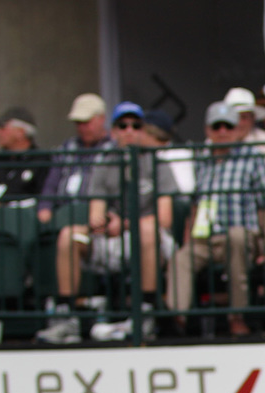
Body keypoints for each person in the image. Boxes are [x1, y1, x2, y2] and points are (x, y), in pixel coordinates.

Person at [37, 102, 179, 344]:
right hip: (111, 238)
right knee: (70, 235)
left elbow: (164, 218)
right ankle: (66, 318)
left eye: (136, 125)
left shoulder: (157, 164)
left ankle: (144, 314)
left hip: (152, 240)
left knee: (146, 230)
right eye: (123, 125)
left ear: (144, 130)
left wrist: (124, 223)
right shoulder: (104, 164)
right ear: (113, 131)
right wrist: (106, 223)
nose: (129, 131)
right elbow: (95, 215)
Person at [165, 101, 265, 337]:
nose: (222, 132)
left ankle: (236, 317)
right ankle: (176, 319)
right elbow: (195, 206)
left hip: (243, 235)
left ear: (237, 129)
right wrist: (188, 240)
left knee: (235, 238)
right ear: (208, 130)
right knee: (181, 258)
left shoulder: (251, 157)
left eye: (227, 126)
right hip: (206, 237)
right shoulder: (202, 160)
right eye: (216, 126)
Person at [37, 93, 110, 225]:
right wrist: (45, 208)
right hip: (62, 211)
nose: (81, 128)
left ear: (102, 119)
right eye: (78, 123)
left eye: (86, 122)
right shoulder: (67, 147)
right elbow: (51, 184)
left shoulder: (112, 149)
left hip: (94, 216)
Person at [0, 107, 44, 211]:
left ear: (20, 132)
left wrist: (3, 206)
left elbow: (40, 200)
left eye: (2, 128)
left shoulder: (41, 162)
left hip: (19, 220)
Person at [225, 87, 265, 185]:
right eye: (234, 117)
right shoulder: (214, 142)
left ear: (253, 118)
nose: (239, 123)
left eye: (244, 117)